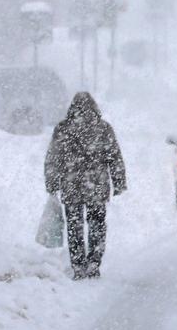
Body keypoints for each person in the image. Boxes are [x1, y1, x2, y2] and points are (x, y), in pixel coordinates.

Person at [43, 92, 127, 280]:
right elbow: (114, 157)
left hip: (71, 185)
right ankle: (94, 262)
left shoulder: (63, 129)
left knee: (74, 225)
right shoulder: (103, 128)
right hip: (96, 186)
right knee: (97, 224)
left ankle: (78, 264)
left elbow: (53, 158)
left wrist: (51, 183)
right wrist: (119, 182)